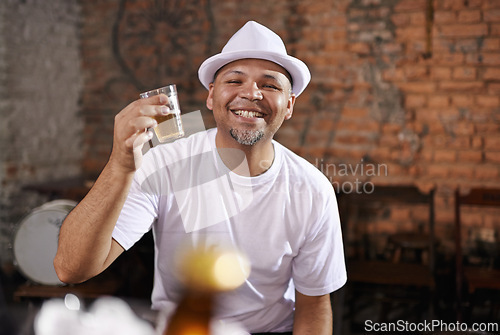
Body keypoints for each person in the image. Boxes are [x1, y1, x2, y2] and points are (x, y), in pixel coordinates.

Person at [54, 21, 347, 334]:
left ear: (288, 105)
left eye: (271, 85)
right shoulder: (165, 162)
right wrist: (120, 165)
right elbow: (71, 269)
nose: (251, 93)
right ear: (211, 96)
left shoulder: (312, 189)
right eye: (234, 81)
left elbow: (314, 305)